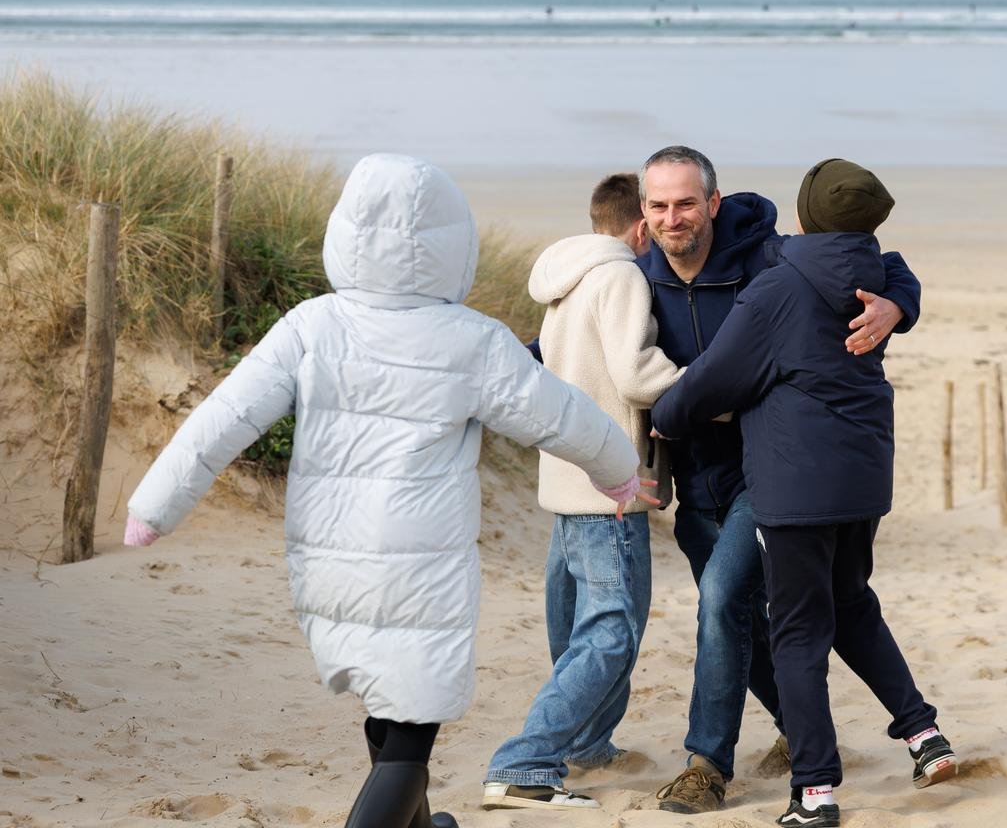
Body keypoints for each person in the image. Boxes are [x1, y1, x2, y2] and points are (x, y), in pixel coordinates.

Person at [120, 154, 645, 828]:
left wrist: (153, 507)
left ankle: (423, 825)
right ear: (454, 247)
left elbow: (221, 420)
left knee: (389, 705)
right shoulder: (472, 341)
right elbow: (561, 415)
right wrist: (619, 469)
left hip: (329, 562)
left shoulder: (311, 326)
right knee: (409, 737)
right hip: (420, 570)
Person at [652, 158, 957, 828]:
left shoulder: (778, 288)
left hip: (794, 488)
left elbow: (710, 384)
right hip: (863, 479)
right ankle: (923, 736)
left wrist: (662, 418)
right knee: (850, 605)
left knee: (795, 635)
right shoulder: (871, 270)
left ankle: (814, 791)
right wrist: (901, 303)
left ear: (806, 211)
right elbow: (901, 269)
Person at [481, 173, 681, 811]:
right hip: (610, 485)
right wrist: (710, 380)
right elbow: (635, 372)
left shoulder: (563, 281)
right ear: (640, 226)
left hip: (566, 479)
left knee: (575, 626)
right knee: (611, 631)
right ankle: (525, 764)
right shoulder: (622, 275)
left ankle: (589, 744)